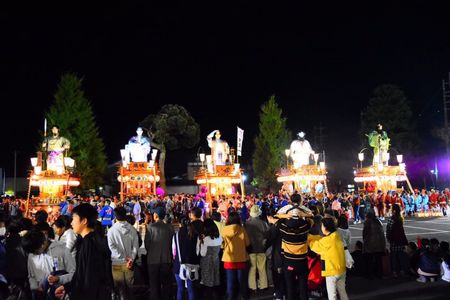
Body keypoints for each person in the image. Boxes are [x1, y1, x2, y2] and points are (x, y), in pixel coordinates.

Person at [54, 204, 114, 300]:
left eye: (74, 218)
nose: (72, 223)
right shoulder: (86, 240)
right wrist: (67, 287)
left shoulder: (90, 244)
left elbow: (90, 278)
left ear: (84, 221)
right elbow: (81, 273)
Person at [268, 193, 313, 300]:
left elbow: (276, 219)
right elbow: (311, 218)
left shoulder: (283, 227)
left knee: (289, 286)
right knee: (303, 286)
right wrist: (301, 213)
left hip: (288, 260)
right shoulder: (305, 226)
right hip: (302, 259)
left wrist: (285, 215)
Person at [22, 229, 75, 300]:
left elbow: (74, 274)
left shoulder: (62, 249)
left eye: (36, 251)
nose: (34, 254)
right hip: (40, 295)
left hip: (59, 293)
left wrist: (59, 279)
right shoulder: (32, 253)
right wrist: (34, 287)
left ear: (43, 244)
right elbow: (31, 275)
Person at [309, 217, 349, 300]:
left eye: (322, 226)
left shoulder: (326, 241)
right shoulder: (337, 235)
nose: (321, 228)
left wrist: (307, 239)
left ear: (326, 228)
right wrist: (311, 237)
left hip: (331, 271)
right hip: (341, 269)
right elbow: (321, 238)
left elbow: (314, 246)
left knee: (332, 294)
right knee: (342, 291)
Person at [107, 206, 139, 300]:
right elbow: (135, 246)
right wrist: (131, 258)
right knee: (130, 289)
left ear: (115, 216)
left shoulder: (111, 230)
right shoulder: (133, 230)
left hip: (117, 263)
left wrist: (122, 257)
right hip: (130, 263)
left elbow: (111, 246)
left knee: (119, 289)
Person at [144, 206, 174, 300]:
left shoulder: (150, 227)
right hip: (167, 259)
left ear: (156, 215)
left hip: (153, 260)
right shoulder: (170, 228)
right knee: (166, 285)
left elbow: (147, 245)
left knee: (154, 285)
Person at [221, 211, 250, 300]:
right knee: (242, 281)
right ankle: (244, 297)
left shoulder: (224, 230)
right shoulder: (241, 229)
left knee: (230, 281)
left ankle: (231, 297)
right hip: (241, 258)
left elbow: (222, 245)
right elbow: (247, 243)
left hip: (229, 258)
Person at [244, 205, 270, 292]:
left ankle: (252, 286)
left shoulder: (247, 224)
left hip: (251, 249)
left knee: (252, 268)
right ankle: (263, 286)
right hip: (261, 248)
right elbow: (267, 235)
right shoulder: (264, 223)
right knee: (262, 268)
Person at [197, 218, 222, 300]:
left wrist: (200, 242)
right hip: (216, 261)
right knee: (215, 281)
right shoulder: (219, 238)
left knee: (208, 284)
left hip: (207, 263)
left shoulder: (205, 240)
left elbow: (202, 253)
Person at [386, 203, 408, 278]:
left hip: (394, 241)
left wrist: (388, 238)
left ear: (394, 210)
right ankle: (402, 270)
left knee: (394, 256)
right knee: (401, 255)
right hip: (401, 240)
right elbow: (402, 230)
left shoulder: (391, 219)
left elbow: (388, 230)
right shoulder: (400, 218)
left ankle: (395, 271)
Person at [362, 209, 386, 279]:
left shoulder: (367, 222)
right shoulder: (378, 221)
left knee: (369, 260)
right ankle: (379, 274)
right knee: (378, 260)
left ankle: (369, 275)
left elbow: (365, 233)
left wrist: (365, 241)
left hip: (370, 244)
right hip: (379, 243)